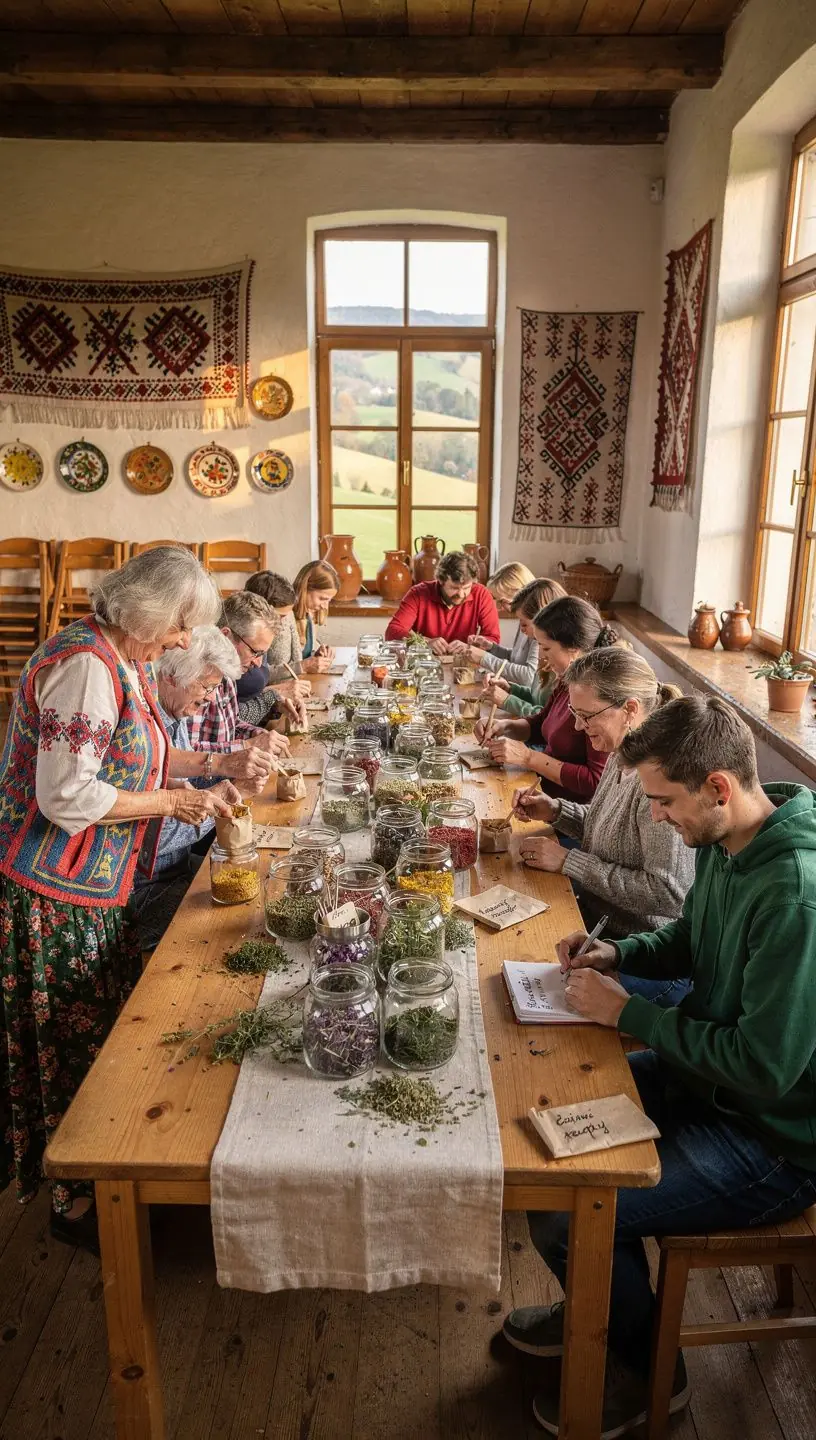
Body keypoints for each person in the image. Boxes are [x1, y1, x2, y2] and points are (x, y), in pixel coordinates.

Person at [504, 696, 816, 1438]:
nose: (655, 819)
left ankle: (647, 1375)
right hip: (708, 1083)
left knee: (570, 1212)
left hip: (773, 1139)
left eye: (662, 801)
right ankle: (596, 1303)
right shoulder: (728, 838)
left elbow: (765, 1069)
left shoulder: (796, 893)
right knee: (540, 1144)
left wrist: (629, 1014)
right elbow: (689, 941)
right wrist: (620, 953)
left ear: (717, 785)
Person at [0, 546, 244, 1250]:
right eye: (178, 627)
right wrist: (174, 801)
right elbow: (67, 793)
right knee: (69, 1038)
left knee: (94, 1031)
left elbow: (141, 754)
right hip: (53, 891)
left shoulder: (120, 662)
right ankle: (75, 1202)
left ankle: (104, 1183)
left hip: (94, 888)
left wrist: (214, 767)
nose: (178, 643)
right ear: (150, 612)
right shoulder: (84, 669)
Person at [513, 648, 694, 1007]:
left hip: (647, 959)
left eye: (585, 716)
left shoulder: (659, 780)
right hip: (601, 934)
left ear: (629, 709)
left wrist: (569, 862)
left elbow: (668, 893)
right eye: (575, 715)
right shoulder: (621, 751)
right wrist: (555, 810)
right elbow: (606, 829)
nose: (579, 727)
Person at [128, 626, 273, 952]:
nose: (209, 699)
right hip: (147, 887)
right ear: (171, 676)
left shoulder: (173, 716)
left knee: (262, 885)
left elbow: (183, 788)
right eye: (206, 687)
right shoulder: (147, 726)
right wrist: (231, 791)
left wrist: (228, 782)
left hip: (174, 871)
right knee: (231, 931)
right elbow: (157, 841)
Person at [476, 596, 614, 804]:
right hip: (540, 793)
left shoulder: (600, 698)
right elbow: (541, 722)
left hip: (567, 814)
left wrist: (527, 757)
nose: (540, 655)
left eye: (546, 648)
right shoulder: (568, 678)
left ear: (574, 649)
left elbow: (595, 780)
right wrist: (504, 726)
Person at [187, 592, 299, 755]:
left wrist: (258, 735)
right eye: (254, 652)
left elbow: (231, 726)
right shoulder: (197, 675)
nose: (258, 663)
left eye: (262, 655)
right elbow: (188, 753)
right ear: (226, 636)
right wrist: (247, 745)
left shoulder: (230, 673)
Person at [477, 576, 566, 718]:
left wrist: (507, 701)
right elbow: (537, 698)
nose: (541, 654)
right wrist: (511, 689)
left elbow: (548, 719)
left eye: (524, 624)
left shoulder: (563, 664)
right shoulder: (547, 653)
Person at [384, 550, 501, 655]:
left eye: (466, 588)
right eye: (454, 588)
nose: (461, 594)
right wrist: (425, 642)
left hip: (464, 665)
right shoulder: (418, 593)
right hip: (424, 664)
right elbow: (392, 632)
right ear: (440, 580)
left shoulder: (481, 594)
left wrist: (470, 647)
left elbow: (493, 638)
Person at [449, 561, 538, 685]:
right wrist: (491, 648)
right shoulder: (523, 619)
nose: (499, 608)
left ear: (521, 594)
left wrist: (484, 658)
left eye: (502, 601)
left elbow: (528, 677)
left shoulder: (539, 626)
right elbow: (515, 658)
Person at [244, 570, 304, 682]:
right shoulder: (243, 637)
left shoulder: (263, 631)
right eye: (280, 616)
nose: (282, 624)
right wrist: (276, 692)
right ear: (259, 607)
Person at [293, 560, 339, 673]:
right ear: (305, 589)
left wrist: (318, 653)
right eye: (322, 599)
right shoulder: (286, 619)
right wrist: (304, 666)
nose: (325, 606)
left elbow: (306, 652)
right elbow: (272, 672)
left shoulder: (309, 614)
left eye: (329, 600)